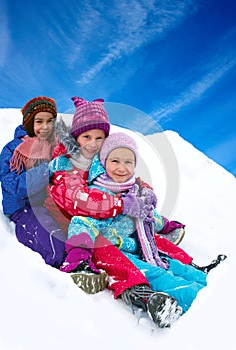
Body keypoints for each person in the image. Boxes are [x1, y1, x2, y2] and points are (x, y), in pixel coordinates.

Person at [45, 96, 182, 328]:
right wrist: (122, 205)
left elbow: (130, 180)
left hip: (108, 221)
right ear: (76, 137)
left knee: (142, 233)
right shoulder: (66, 164)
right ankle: (142, 294)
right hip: (77, 225)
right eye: (87, 136)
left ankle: (187, 267)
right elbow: (78, 201)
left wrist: (144, 194)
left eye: (100, 138)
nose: (93, 143)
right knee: (105, 249)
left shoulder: (103, 160)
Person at [62, 132, 226, 313]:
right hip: (120, 252)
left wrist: (166, 225)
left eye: (128, 162)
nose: (121, 168)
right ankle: (198, 300)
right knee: (159, 275)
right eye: (115, 161)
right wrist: (78, 258)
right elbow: (82, 223)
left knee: (174, 264)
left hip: (143, 247)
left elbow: (149, 216)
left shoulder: (134, 192)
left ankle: (216, 284)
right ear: (103, 161)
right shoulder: (97, 195)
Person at [0, 96, 67, 267]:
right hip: (24, 208)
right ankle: (70, 272)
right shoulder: (13, 150)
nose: (45, 127)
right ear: (30, 123)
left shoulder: (57, 147)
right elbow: (13, 186)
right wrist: (47, 170)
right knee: (54, 243)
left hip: (53, 204)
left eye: (50, 121)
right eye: (39, 121)